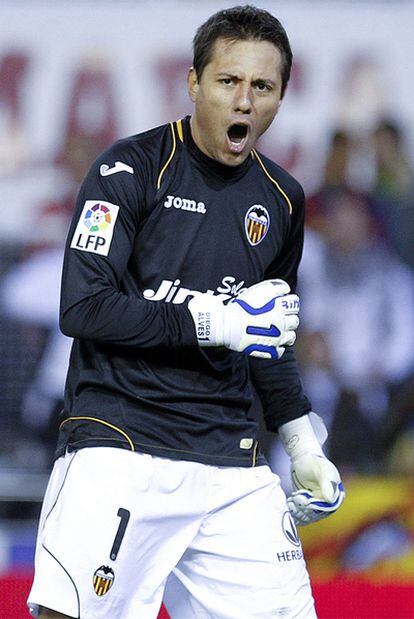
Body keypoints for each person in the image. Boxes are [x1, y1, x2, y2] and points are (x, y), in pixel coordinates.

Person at [28, 6, 345, 619]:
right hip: (122, 447)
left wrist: (303, 442)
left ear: (282, 94)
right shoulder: (127, 170)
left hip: (233, 465)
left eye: (263, 86)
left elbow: (268, 335)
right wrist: (210, 322)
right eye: (229, 82)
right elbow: (83, 307)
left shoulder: (282, 199)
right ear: (194, 82)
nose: (245, 102)